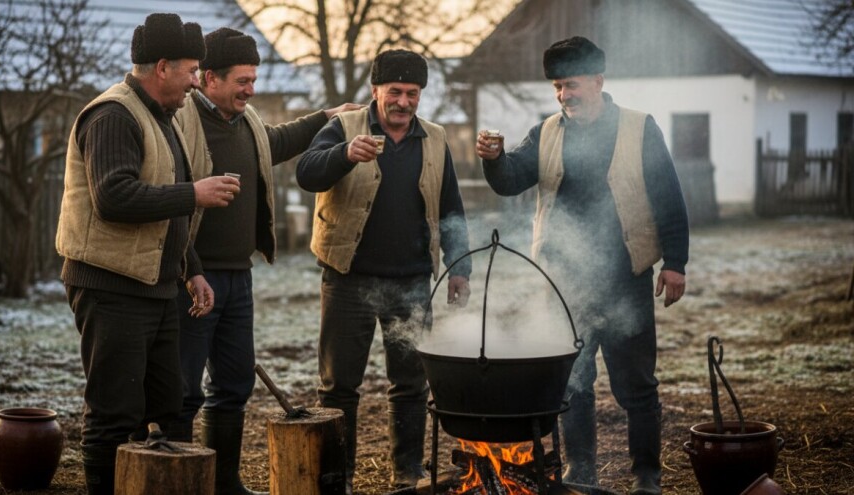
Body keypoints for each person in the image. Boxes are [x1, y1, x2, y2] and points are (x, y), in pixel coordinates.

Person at [476, 36, 688, 495]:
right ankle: (581, 470)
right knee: (572, 382)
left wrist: (676, 263)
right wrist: (494, 160)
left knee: (636, 386)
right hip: (563, 282)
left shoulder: (638, 127)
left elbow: (669, 197)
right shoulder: (547, 131)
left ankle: (646, 474)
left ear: (597, 81)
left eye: (570, 84)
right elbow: (512, 180)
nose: (563, 95)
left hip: (625, 277)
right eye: (556, 86)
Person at [55, 13, 240, 495]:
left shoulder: (162, 117)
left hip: (155, 287)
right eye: (191, 71)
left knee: (164, 404)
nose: (197, 82)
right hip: (111, 286)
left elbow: (165, 199)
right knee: (115, 414)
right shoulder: (113, 114)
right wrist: (194, 194)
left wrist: (192, 270)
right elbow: (113, 197)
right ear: (162, 66)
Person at [171, 27, 362, 495]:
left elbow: (276, 141)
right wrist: (191, 267)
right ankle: (174, 481)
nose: (250, 90)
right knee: (183, 393)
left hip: (239, 274)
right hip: (193, 276)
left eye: (254, 79)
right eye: (242, 80)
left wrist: (327, 117)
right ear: (209, 78)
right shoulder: (181, 121)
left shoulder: (247, 120)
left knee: (234, 386)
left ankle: (223, 482)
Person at [297, 49, 473, 493]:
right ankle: (338, 479)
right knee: (339, 390)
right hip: (348, 279)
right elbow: (306, 173)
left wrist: (460, 267)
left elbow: (451, 205)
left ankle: (407, 475)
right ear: (375, 91)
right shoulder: (342, 128)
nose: (403, 101)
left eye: (412, 93)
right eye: (394, 91)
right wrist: (343, 154)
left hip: (413, 281)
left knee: (411, 385)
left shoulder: (434, 138)